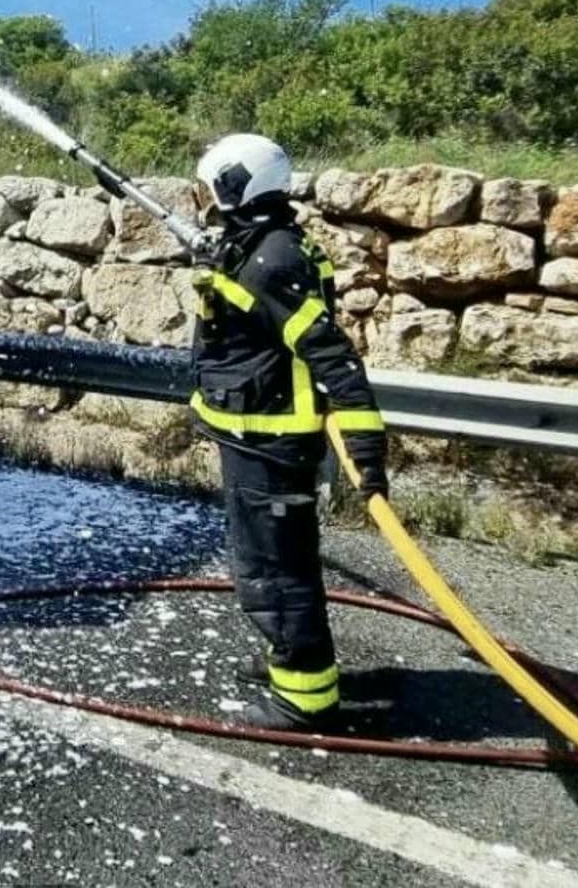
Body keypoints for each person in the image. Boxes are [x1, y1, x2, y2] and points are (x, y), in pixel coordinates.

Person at [187, 133, 389, 731]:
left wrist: (366, 453)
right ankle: (292, 663)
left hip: (271, 440)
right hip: (253, 434)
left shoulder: (272, 261)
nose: (203, 199)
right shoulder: (261, 246)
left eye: (209, 187)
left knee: (274, 570)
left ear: (233, 186)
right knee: (270, 562)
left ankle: (303, 698)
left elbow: (336, 360)